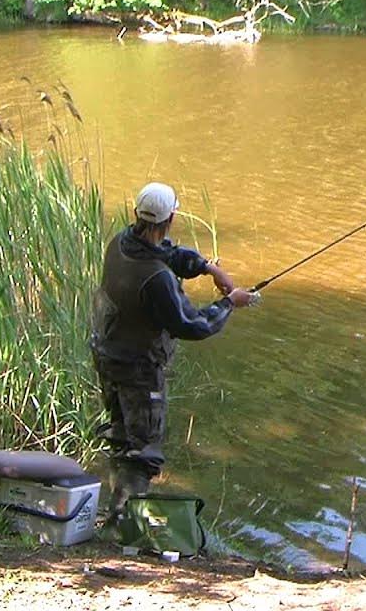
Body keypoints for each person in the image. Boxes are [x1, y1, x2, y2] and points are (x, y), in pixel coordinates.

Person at [90, 182, 256, 522]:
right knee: (143, 451)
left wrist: (209, 268)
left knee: (122, 437)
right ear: (173, 217)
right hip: (137, 368)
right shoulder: (157, 279)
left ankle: (115, 512)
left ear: (136, 214)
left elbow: (167, 253)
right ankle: (125, 524)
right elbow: (191, 325)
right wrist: (229, 303)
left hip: (107, 355)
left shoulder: (121, 244)